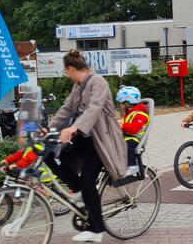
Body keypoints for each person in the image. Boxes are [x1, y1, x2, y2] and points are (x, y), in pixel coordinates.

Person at [45, 50, 128, 243]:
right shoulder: (78, 85)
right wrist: (48, 129)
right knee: (51, 154)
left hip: (103, 140)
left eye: (66, 71)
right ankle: (79, 189)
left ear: (71, 68)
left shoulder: (97, 82)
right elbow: (66, 109)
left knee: (88, 181)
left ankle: (96, 230)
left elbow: (94, 108)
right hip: (86, 137)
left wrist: (74, 128)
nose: (66, 75)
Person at [115, 86, 150, 176]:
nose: (120, 105)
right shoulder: (130, 113)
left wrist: (122, 125)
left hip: (135, 139)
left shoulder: (141, 114)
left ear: (129, 103)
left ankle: (132, 166)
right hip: (128, 136)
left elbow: (134, 129)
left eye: (122, 103)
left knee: (126, 145)